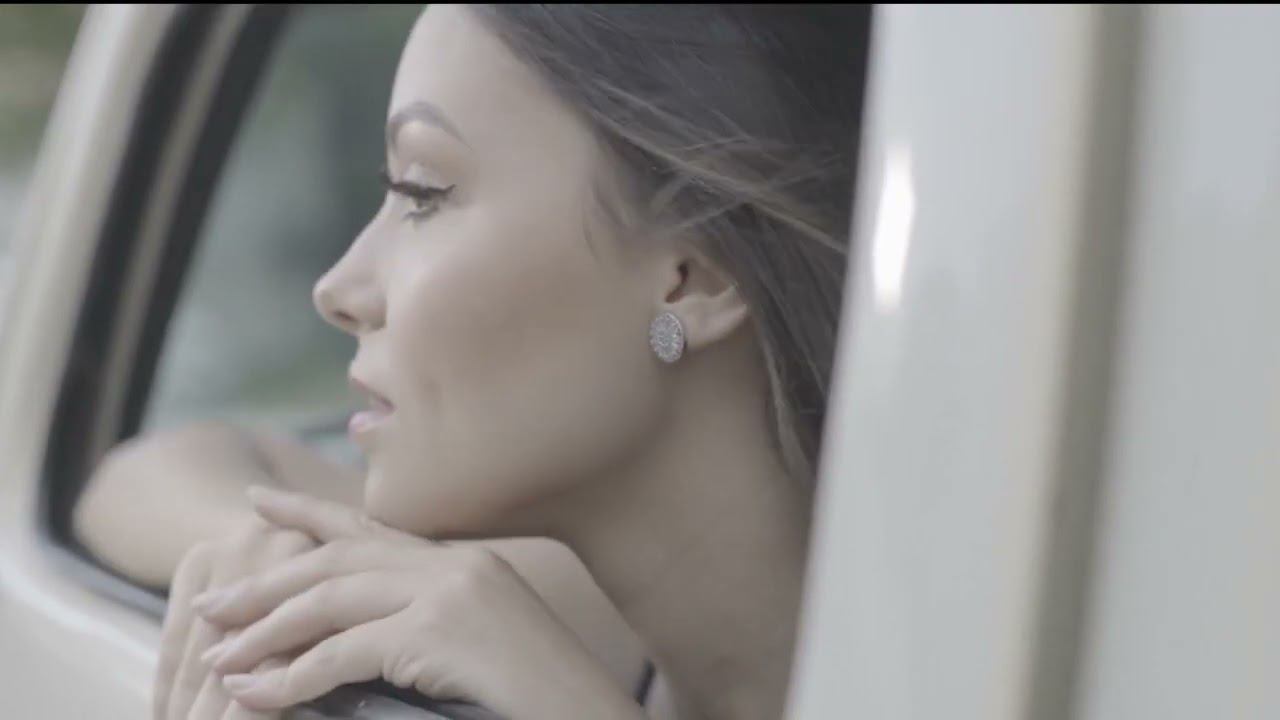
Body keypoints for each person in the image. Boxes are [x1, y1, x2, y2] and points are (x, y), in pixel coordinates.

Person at [77, 5, 868, 719]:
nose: (338, 289)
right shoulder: (544, 603)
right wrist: (282, 568)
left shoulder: (545, 628)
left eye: (422, 191)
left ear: (695, 278)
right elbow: (135, 479)